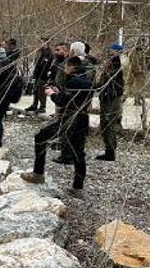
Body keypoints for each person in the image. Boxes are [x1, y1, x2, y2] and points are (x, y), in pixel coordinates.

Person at [22, 56, 94, 192]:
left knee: (40, 137)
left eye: (66, 66)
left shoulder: (73, 81)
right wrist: (59, 92)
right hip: (82, 119)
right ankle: (78, 187)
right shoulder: (86, 81)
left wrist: (51, 94)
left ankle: (38, 173)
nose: (65, 69)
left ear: (72, 67)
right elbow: (73, 98)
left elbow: (63, 101)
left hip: (70, 119)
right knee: (78, 152)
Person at [96, 43, 125, 161]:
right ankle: (108, 149)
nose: (109, 53)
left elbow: (114, 80)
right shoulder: (109, 65)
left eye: (111, 51)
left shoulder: (117, 64)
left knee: (109, 124)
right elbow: (102, 82)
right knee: (105, 124)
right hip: (106, 97)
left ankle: (110, 151)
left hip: (112, 98)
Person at [27, 38, 54, 113]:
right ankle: (34, 105)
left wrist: (44, 74)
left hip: (43, 75)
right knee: (35, 90)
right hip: (38, 74)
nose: (39, 44)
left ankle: (42, 107)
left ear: (46, 43)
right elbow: (37, 64)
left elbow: (45, 65)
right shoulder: (41, 52)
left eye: (41, 43)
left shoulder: (48, 53)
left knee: (41, 91)